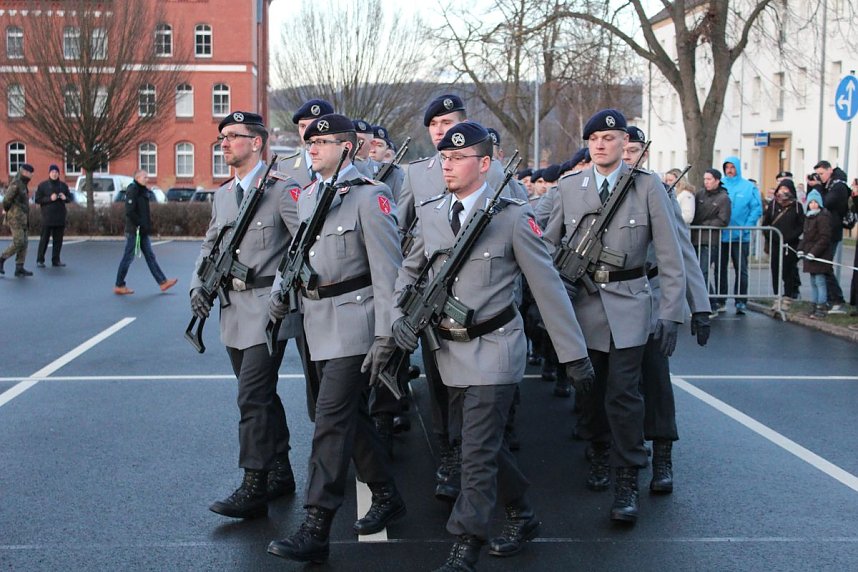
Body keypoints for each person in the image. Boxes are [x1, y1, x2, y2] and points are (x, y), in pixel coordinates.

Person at [392, 121, 593, 570]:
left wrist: (573, 355)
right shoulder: (430, 211)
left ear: (484, 164)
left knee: (476, 451)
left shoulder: (514, 218)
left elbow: (548, 289)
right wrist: (397, 318)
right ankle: (520, 512)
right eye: (444, 157)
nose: (448, 165)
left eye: (459, 158)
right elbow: (409, 271)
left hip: (497, 349)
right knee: (476, 443)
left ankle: (465, 546)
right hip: (449, 352)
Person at [267, 114, 405, 565]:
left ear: (347, 148)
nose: (313, 147)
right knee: (353, 419)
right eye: (310, 142)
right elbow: (296, 254)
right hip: (316, 322)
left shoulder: (371, 197)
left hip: (355, 323)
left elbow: (389, 272)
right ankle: (386, 493)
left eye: (323, 141)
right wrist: (278, 298)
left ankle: (316, 525)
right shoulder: (307, 196)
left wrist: (388, 334)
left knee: (329, 421)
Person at [544, 109, 686, 523]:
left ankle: (627, 478)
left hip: (631, 307)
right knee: (591, 393)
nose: (602, 144)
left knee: (625, 397)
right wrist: (553, 288)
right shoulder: (570, 187)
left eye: (610, 137)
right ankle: (598, 451)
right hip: (584, 310)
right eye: (595, 139)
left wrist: (672, 314)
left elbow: (670, 256)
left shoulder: (648, 187)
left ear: (626, 142)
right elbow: (547, 246)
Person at [397, 94, 526, 504]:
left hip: (488, 315)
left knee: (483, 422)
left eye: (447, 122)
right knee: (443, 392)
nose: (440, 131)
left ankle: (472, 520)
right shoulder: (417, 177)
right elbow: (403, 237)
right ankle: (450, 454)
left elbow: (523, 248)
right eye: (433, 124)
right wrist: (403, 301)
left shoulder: (500, 179)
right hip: (438, 314)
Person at [189, 111, 301, 519]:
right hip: (232, 310)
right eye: (222, 136)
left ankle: (253, 482)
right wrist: (198, 285)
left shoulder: (282, 190)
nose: (225, 142)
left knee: (250, 396)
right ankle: (281, 470)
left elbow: (303, 245)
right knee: (263, 396)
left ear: (257, 142)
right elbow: (209, 245)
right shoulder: (222, 195)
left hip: (266, 311)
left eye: (234, 136)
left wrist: (285, 292)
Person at [623, 127, 711, 494]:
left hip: (653, 292)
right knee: (617, 387)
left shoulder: (657, 190)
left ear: (644, 154)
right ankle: (617, 454)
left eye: (634, 150)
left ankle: (662, 456)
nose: (627, 155)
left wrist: (700, 306)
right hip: (608, 299)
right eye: (622, 148)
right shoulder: (592, 190)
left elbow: (681, 251)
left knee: (656, 379)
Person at [113, 170, 177, 295]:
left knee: (150, 256)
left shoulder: (143, 190)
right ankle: (119, 284)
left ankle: (163, 282)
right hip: (134, 231)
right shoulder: (133, 190)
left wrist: (146, 226)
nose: (147, 179)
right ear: (137, 178)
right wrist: (140, 224)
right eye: (144, 177)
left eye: (147, 177)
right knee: (128, 257)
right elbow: (130, 211)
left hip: (142, 231)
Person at [719, 156, 762, 315]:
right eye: (727, 167)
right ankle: (720, 299)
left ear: (737, 168)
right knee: (720, 269)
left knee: (741, 269)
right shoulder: (720, 185)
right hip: (721, 235)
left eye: (732, 167)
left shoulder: (748, 187)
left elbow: (756, 208)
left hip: (741, 236)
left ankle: (741, 301)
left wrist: (747, 227)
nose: (730, 170)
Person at [691, 169, 731, 315]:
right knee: (697, 273)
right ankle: (708, 302)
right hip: (695, 238)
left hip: (710, 240)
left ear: (717, 180)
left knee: (703, 272)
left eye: (709, 179)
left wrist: (704, 224)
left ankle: (712, 304)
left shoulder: (723, 198)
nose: (706, 182)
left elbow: (723, 220)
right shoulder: (700, 194)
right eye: (705, 179)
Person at [813, 160, 849, 313]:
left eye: (821, 173)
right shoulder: (829, 186)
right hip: (825, 231)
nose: (819, 177)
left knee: (825, 266)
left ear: (830, 171)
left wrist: (818, 188)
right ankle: (829, 298)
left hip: (832, 231)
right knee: (823, 266)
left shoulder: (838, 186)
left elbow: (825, 202)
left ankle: (837, 300)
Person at [762, 178, 804, 303]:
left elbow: (801, 225)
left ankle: (788, 294)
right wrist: (771, 236)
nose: (783, 191)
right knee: (775, 268)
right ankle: (776, 294)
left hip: (790, 244)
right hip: (775, 243)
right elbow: (765, 224)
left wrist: (791, 237)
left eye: (786, 189)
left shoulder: (797, 206)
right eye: (781, 189)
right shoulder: (773, 205)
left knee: (789, 270)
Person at [277, 98, 335, 188]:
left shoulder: (342, 164)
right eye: (302, 126)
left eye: (313, 126)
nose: (306, 133)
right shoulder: (285, 166)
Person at [796, 189, 833, 319]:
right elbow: (805, 236)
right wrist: (801, 249)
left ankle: (821, 306)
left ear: (820, 203)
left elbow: (824, 237)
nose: (813, 204)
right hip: (810, 254)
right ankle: (814, 304)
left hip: (820, 255)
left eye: (815, 202)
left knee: (820, 281)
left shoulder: (823, 217)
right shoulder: (809, 217)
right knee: (813, 281)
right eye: (810, 202)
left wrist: (813, 253)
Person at [0, 163, 34, 277]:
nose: (31, 175)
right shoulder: (16, 183)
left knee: (24, 243)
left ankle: (19, 267)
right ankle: (2, 258)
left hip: (23, 218)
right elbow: (6, 200)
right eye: (29, 173)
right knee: (19, 241)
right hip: (15, 218)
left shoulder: (23, 184)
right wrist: (7, 210)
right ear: (23, 172)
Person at [34, 164, 72, 268]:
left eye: (56, 172)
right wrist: (50, 198)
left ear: (59, 173)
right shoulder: (43, 185)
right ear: (49, 173)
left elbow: (70, 198)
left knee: (58, 240)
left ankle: (56, 260)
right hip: (47, 216)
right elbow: (37, 199)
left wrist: (65, 198)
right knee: (44, 239)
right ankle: (40, 259)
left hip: (60, 216)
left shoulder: (63, 185)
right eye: (52, 172)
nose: (54, 174)